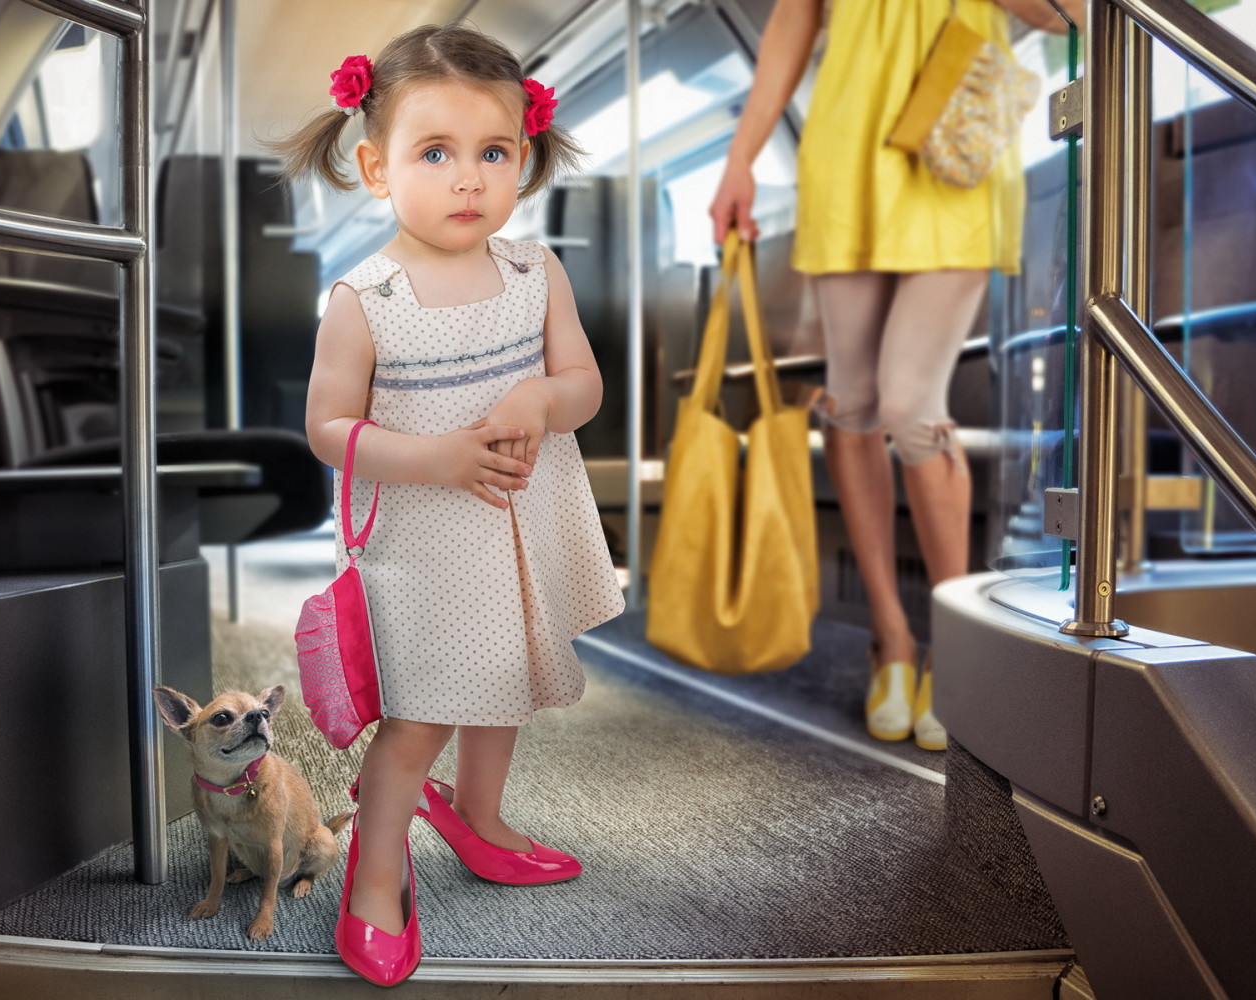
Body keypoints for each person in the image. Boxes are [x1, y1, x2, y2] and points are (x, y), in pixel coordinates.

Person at [274, 24, 624, 987]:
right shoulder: (366, 298)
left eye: (494, 153)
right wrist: (435, 456)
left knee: (504, 677)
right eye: (437, 153)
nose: (470, 179)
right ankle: (375, 877)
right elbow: (329, 429)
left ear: (525, 156)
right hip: (425, 547)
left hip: (521, 529)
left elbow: (584, 385)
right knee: (421, 716)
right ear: (377, 168)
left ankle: (478, 815)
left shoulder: (533, 272)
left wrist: (540, 400)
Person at [709, 0, 1080, 751]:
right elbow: (794, 19)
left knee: (912, 408)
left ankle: (956, 642)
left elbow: (1070, 16)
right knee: (853, 405)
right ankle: (892, 639)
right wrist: (740, 158)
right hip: (845, 151)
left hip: (957, 135)